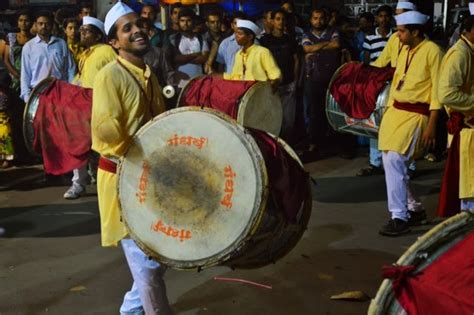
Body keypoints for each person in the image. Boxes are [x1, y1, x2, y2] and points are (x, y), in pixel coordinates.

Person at [93, 2, 170, 314]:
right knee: (148, 266)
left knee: (159, 256)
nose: (138, 30)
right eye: (127, 28)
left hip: (149, 176)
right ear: (114, 42)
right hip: (123, 181)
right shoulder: (109, 76)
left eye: (138, 24)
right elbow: (104, 129)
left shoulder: (148, 73)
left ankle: (129, 310)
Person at [378, 11, 443, 236]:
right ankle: (414, 209)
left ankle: (399, 216)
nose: (398, 35)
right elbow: (396, 79)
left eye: (402, 31)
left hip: (416, 114)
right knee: (390, 161)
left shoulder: (433, 51)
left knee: (396, 160)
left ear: (416, 32)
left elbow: (438, 90)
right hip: (395, 112)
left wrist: (433, 123)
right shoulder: (404, 49)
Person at [357, 0, 418, 177]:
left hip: (412, 95)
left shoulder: (426, 46)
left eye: (401, 13)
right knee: (377, 122)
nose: (398, 16)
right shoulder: (394, 38)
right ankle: (376, 162)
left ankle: (410, 166)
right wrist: (363, 73)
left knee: (408, 131)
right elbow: (381, 61)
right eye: (397, 13)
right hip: (391, 90)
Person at [63, 16, 117, 200]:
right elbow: (81, 78)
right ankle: (78, 184)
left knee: (105, 146)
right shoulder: (86, 54)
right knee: (77, 145)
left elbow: (115, 77)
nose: (82, 33)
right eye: (82, 30)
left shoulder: (107, 51)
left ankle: (114, 182)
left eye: (87, 31)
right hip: (82, 106)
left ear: (97, 35)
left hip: (101, 106)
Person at [437, 14, 474, 216]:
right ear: (470, 30)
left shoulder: (468, 50)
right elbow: (447, 94)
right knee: (469, 188)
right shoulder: (460, 53)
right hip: (467, 130)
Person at [302, 9, 341, 153]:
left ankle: (333, 143)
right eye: (315, 18)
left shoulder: (334, 31)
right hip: (313, 79)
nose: (318, 21)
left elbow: (336, 45)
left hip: (333, 79)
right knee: (314, 112)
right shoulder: (306, 34)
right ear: (311, 20)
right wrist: (326, 44)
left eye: (321, 18)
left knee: (333, 111)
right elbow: (307, 48)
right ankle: (314, 143)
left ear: (326, 19)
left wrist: (317, 47)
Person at [20, 10, 76, 103]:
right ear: (35, 25)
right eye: (40, 23)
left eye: (47, 24)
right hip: (38, 94)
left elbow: (70, 69)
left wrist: (71, 90)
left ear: (52, 25)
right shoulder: (29, 47)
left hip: (61, 92)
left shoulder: (61, 43)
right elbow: (25, 75)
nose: (44, 27)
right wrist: (27, 98)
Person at [261, 9, 298, 140]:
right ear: (271, 21)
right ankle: (273, 147)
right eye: (277, 19)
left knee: (288, 120)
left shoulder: (291, 40)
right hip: (272, 85)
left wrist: (295, 80)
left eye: (283, 19)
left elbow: (296, 61)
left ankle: (285, 147)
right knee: (272, 118)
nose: (281, 22)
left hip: (289, 84)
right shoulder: (265, 40)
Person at [223, 19, 281, 91]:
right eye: (236, 33)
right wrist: (220, 76)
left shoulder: (263, 52)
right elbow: (235, 77)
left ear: (250, 37)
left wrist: (273, 85)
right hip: (243, 95)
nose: (236, 36)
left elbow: (276, 75)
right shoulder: (238, 54)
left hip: (258, 94)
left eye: (240, 34)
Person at [170, 8, 209, 79]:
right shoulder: (173, 39)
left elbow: (204, 58)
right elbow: (175, 59)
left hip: (199, 80)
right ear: (178, 22)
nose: (185, 24)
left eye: (188, 21)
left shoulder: (201, 38)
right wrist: (197, 54)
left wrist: (184, 58)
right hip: (180, 81)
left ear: (194, 22)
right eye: (182, 21)